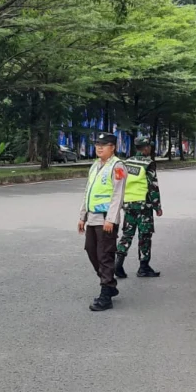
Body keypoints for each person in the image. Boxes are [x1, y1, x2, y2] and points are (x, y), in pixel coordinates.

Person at [78, 132, 127, 312]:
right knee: (91, 250)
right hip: (92, 218)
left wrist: (111, 219)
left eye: (104, 144)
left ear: (112, 147)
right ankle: (109, 283)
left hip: (106, 218)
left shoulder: (118, 166)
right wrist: (82, 216)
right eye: (97, 144)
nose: (99, 147)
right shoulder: (95, 165)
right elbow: (88, 192)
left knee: (105, 255)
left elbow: (118, 194)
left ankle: (106, 294)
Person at [116, 138, 163, 278]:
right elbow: (153, 186)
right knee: (145, 236)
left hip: (128, 204)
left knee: (127, 234)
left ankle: (118, 262)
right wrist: (157, 206)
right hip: (143, 205)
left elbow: (119, 182)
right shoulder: (148, 163)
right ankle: (144, 267)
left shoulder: (125, 163)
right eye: (150, 147)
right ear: (146, 148)